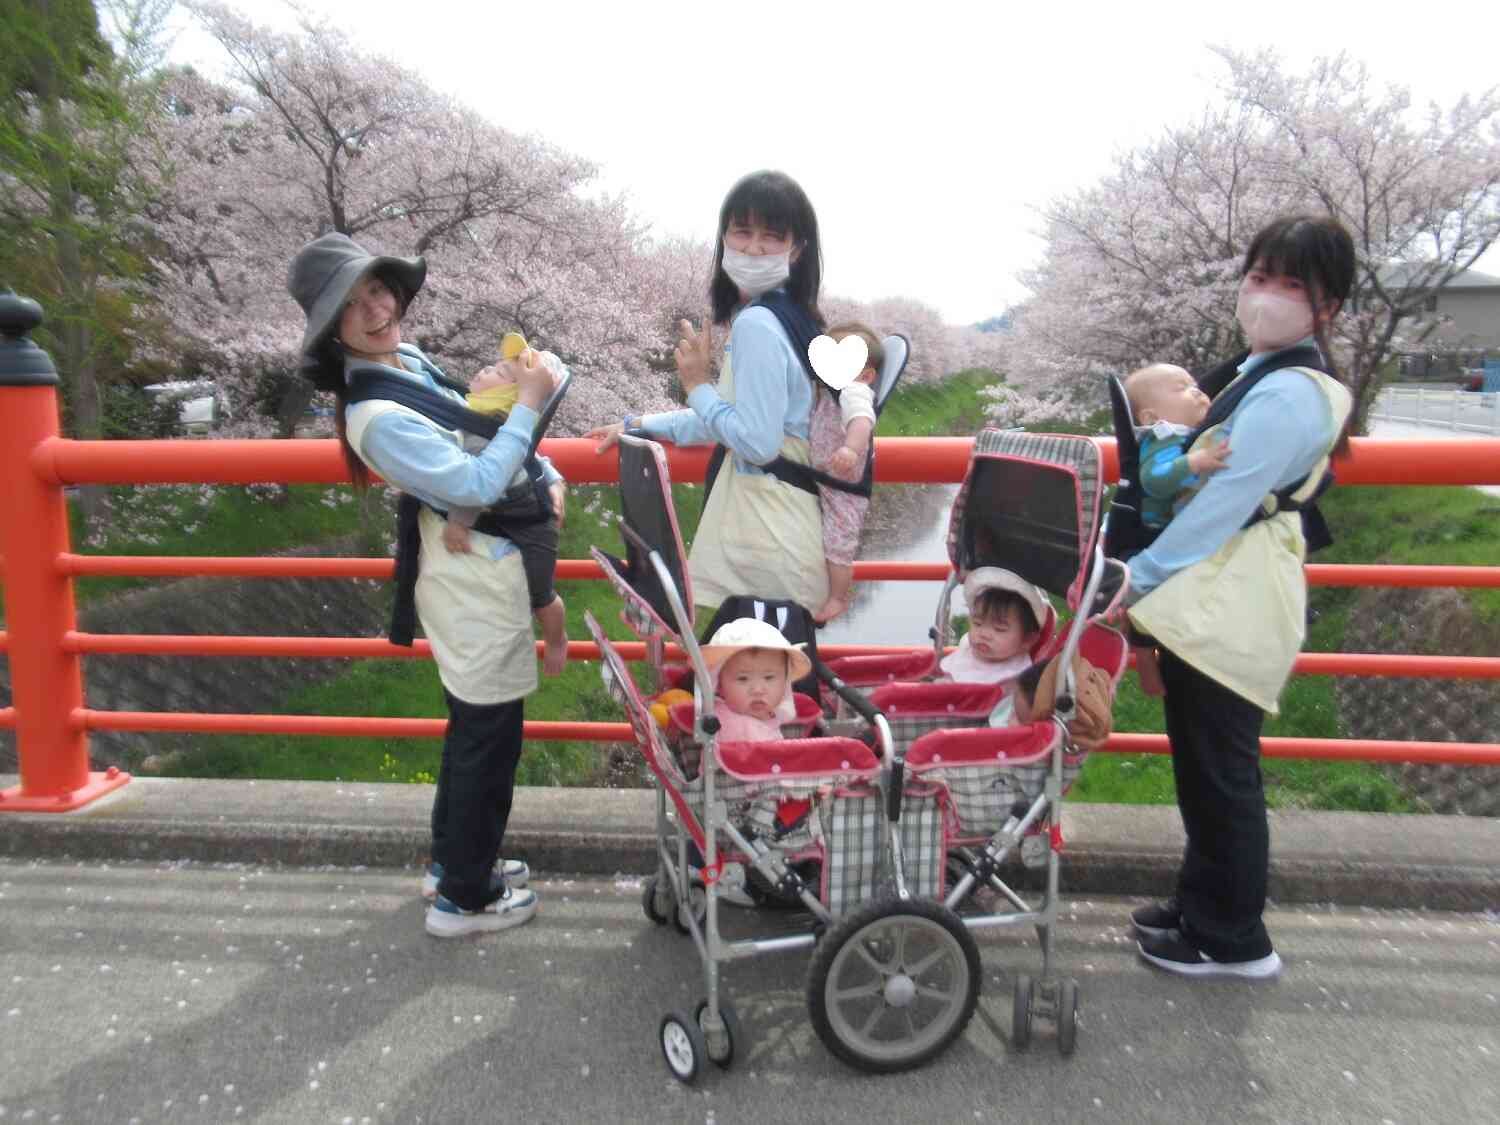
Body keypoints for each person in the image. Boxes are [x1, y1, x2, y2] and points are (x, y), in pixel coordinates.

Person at [288, 232, 558, 939]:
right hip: (473, 582)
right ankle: (466, 897)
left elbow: (466, 433)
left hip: (470, 566)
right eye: (353, 305)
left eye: (377, 288)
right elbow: (473, 479)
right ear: (333, 331)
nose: (376, 308)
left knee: (473, 730)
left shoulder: (399, 362)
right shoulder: (372, 416)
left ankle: (453, 863)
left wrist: (498, 397)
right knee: (489, 741)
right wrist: (528, 404)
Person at [1125, 214, 1356, 981]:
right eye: (1259, 278)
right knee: (1203, 762)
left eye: (1292, 285)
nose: (1267, 296)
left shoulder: (1289, 393)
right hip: (1219, 594)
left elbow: (1223, 503)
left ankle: (1233, 937)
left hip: (1236, 594)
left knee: (1222, 768)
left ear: (1326, 305)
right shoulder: (1257, 373)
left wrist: (1139, 575)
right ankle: (1202, 903)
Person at [586, 170, 830, 620]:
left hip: (766, 535)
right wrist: (639, 425)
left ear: (796, 249)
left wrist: (697, 385)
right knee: (772, 681)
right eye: (742, 232)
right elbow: (724, 419)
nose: (753, 247)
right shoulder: (794, 318)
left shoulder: (758, 324)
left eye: (772, 236)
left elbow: (756, 441)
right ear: (725, 238)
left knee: (747, 681)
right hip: (784, 529)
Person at [443, 343, 570, 677]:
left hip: (535, 523)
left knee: (540, 596)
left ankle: (557, 638)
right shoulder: (480, 420)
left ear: (514, 398)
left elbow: (482, 482)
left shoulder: (489, 432)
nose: (486, 370)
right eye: (493, 366)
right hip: (506, 517)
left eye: (500, 373)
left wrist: (458, 521)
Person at [1121, 362, 1232, 695]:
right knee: (1144, 598)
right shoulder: (1162, 438)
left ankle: (1150, 657)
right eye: (1181, 388)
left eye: (1194, 383)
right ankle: (1145, 661)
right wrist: (1195, 463)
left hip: (1167, 530)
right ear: (1152, 417)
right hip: (1152, 531)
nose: (1196, 390)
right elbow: (1154, 480)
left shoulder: (1184, 435)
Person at [699, 616, 815, 906]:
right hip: (752, 818)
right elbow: (778, 774)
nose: (758, 689)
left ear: (784, 681)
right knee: (830, 793)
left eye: (769, 678)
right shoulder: (736, 728)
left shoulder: (736, 717)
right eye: (742, 679)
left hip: (743, 809)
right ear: (719, 683)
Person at [810, 321, 883, 623]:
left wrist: (852, 449)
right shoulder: (830, 392)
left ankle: (838, 598)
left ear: (865, 375)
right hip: (825, 481)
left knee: (839, 545)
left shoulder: (855, 391)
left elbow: (862, 421)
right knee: (822, 539)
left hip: (843, 489)